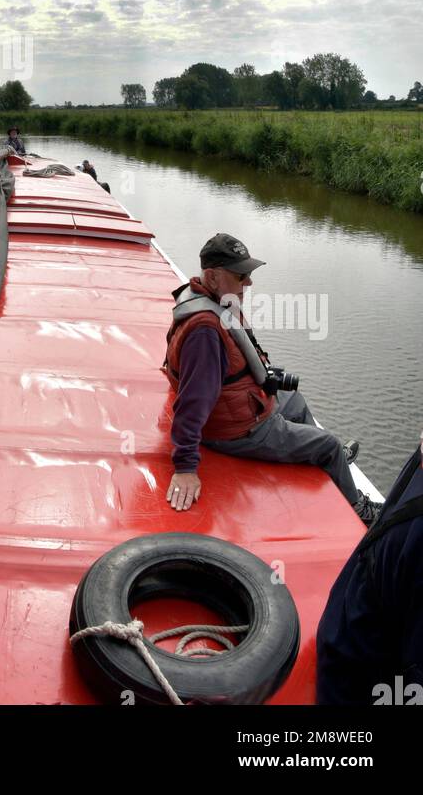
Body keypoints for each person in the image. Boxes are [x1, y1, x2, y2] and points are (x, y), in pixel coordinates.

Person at [163, 232, 380, 524]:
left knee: (294, 400)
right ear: (212, 277)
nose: (249, 283)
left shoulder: (210, 299)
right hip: (236, 430)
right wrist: (185, 467)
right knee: (327, 444)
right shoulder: (204, 333)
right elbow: (192, 403)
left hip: (241, 406)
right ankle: (359, 511)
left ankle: (321, 455)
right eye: (241, 276)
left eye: (249, 274)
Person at [316, 438, 423, 704]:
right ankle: (355, 503)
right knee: (326, 444)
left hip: (344, 636)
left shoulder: (417, 469)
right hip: (359, 683)